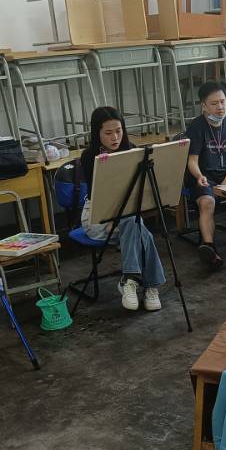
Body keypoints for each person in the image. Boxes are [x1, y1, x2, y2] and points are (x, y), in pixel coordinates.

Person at [78, 107, 165, 311]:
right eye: (108, 133)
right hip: (98, 215)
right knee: (140, 230)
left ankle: (130, 280)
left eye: (118, 131)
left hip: (128, 214)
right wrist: (111, 219)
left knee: (132, 222)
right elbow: (98, 196)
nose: (115, 137)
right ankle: (150, 285)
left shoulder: (132, 150)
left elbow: (137, 193)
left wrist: (121, 218)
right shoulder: (89, 156)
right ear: (97, 133)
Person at [183, 81, 226, 268]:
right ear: (204, 106)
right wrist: (199, 176)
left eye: (223, 102)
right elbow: (192, 160)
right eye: (214, 103)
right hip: (204, 178)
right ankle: (209, 247)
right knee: (207, 202)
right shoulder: (197, 127)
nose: (220, 107)